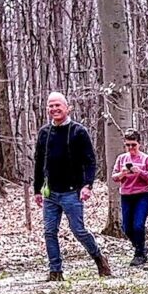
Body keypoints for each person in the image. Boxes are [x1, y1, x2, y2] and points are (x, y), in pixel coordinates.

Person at [33, 91, 111, 281]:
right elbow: (39, 162)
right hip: (51, 192)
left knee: (78, 230)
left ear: (67, 108)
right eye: (51, 106)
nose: (54, 109)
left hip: (72, 192)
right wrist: (37, 190)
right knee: (49, 231)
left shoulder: (78, 131)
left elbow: (90, 161)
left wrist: (87, 185)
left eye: (57, 105)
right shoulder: (44, 133)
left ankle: (99, 258)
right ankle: (55, 271)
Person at [111, 130, 148, 267]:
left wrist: (140, 172)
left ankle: (139, 254)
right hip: (126, 195)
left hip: (142, 195)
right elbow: (114, 177)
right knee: (127, 228)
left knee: (138, 225)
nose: (131, 148)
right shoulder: (121, 159)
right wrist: (122, 173)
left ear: (139, 144)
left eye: (133, 145)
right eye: (128, 145)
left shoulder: (146, 159)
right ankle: (140, 247)